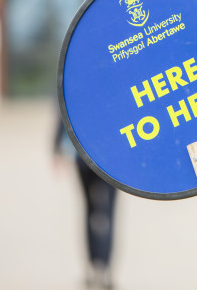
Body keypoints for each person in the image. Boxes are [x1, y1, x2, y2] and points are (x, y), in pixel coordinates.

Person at [54, 117, 117, 290]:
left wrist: (56, 147)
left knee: (93, 210)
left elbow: (63, 112)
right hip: (108, 158)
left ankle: (98, 267)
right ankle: (101, 268)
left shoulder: (73, 89)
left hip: (89, 156)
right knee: (105, 212)